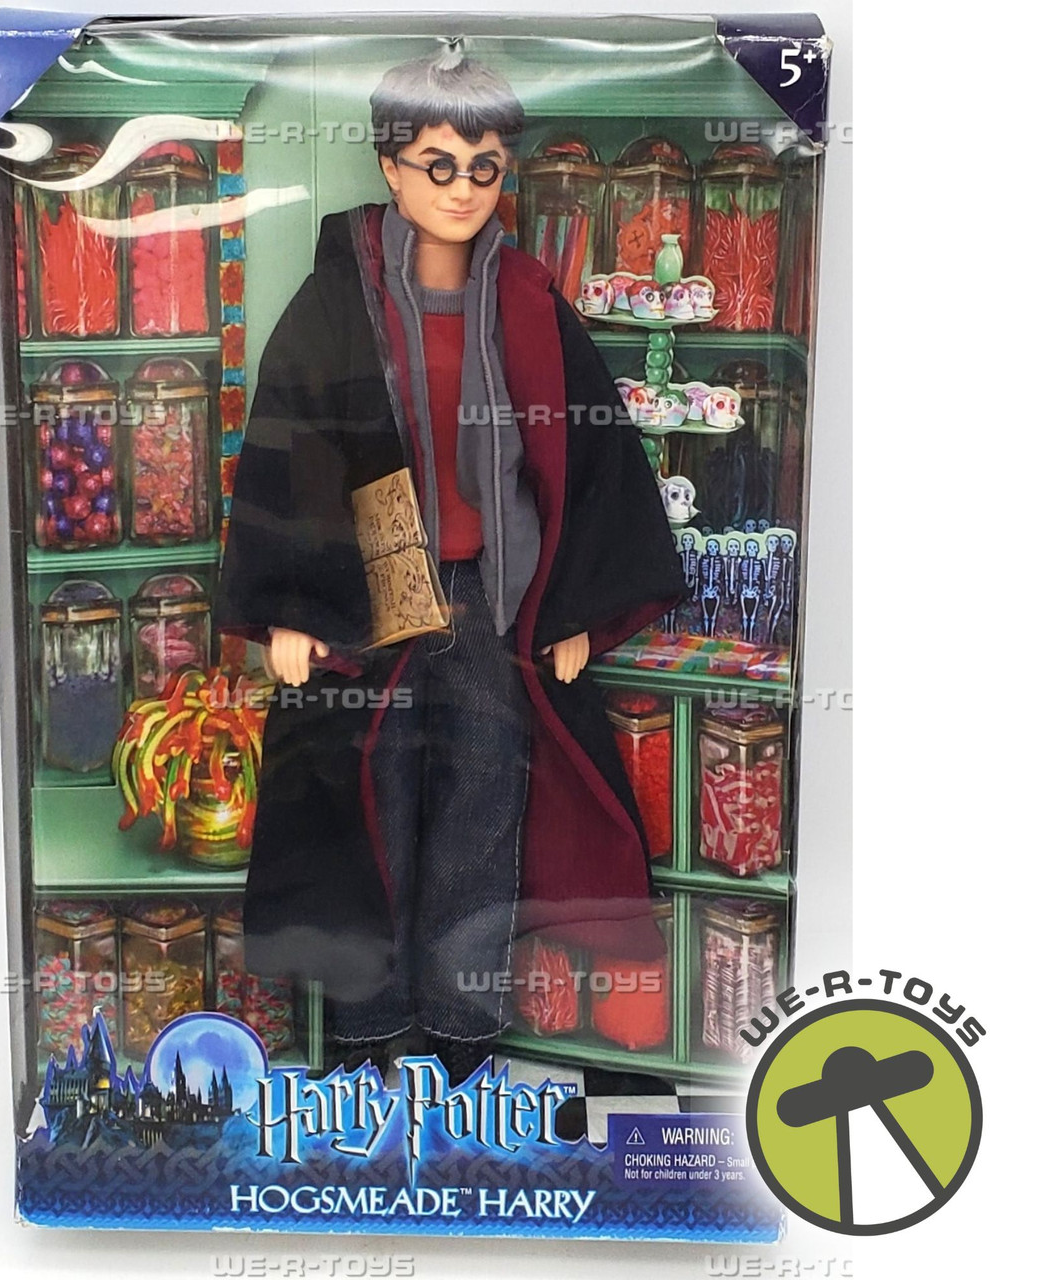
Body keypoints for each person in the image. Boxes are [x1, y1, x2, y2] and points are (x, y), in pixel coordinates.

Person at [216, 48, 685, 1086]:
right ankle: (371, 1021)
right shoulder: (339, 299)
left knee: (481, 807)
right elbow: (290, 445)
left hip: (491, 599)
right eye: (438, 164)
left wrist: (578, 606)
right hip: (368, 598)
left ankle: (462, 1027)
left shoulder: (525, 297)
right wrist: (289, 605)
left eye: (483, 166)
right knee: (370, 803)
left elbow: (590, 449)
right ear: (390, 166)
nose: (462, 188)